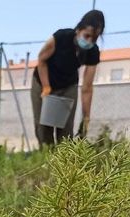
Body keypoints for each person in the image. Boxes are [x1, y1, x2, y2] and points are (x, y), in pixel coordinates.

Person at [31, 10, 105, 147]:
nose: (89, 41)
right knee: (44, 128)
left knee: (65, 132)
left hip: (68, 85)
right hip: (43, 81)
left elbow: (87, 88)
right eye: (87, 35)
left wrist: (86, 116)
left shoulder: (93, 52)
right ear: (78, 30)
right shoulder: (61, 37)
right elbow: (41, 60)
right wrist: (46, 87)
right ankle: (45, 159)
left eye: (94, 38)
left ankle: (64, 165)